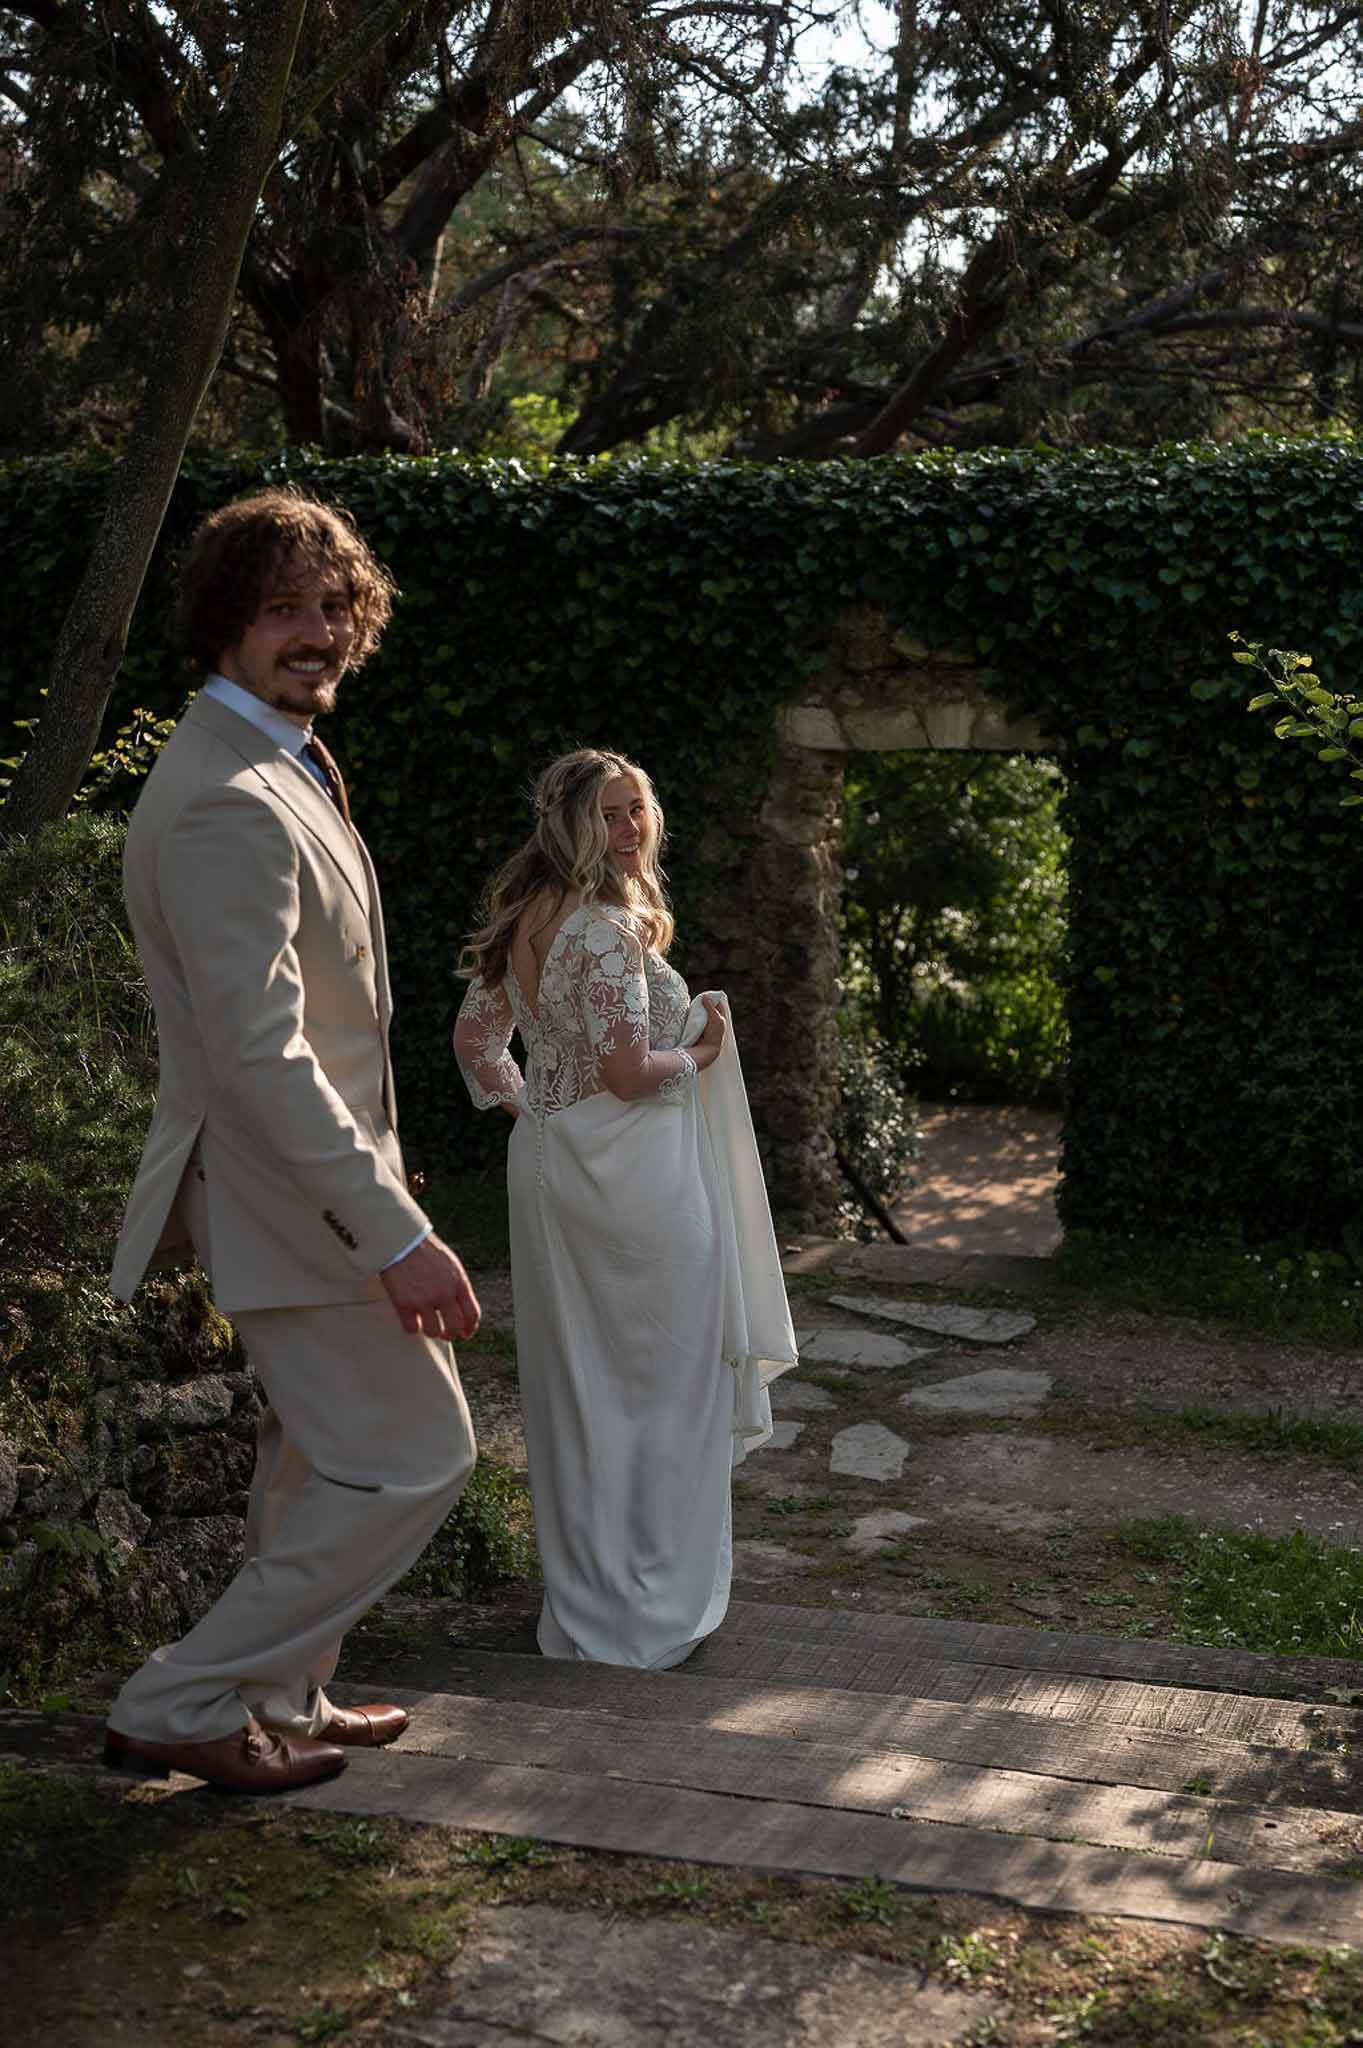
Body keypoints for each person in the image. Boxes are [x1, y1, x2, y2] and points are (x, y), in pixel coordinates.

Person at [104, 487, 480, 1793]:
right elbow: (262, 1054)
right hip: (284, 1198)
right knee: (418, 1455)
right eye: (281, 609)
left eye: (332, 607)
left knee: (314, 1455)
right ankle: (180, 1697)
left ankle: (283, 1692)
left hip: (307, 1186)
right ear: (222, 625)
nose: (315, 632)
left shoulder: (273, 757)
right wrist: (395, 1231)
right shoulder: (226, 796)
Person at [454, 748, 796, 1669]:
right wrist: (704, 1051)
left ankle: (593, 1596)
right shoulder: (604, 932)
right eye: (607, 813)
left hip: (553, 1168)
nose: (628, 828)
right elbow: (628, 1072)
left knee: (580, 1384)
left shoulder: (524, 915)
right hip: (637, 1178)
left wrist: (539, 1116)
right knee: (664, 1381)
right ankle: (647, 1601)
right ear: (570, 824)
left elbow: (478, 1044)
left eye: (636, 808)